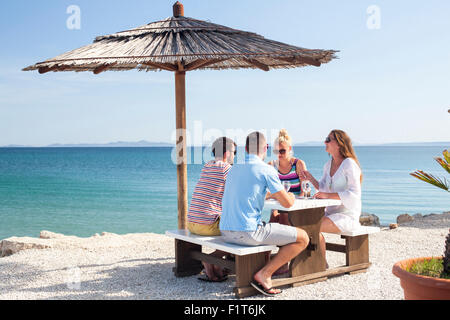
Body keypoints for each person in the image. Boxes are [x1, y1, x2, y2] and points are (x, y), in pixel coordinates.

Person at [220, 131, 310, 296]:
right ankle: (265, 274)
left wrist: (268, 194)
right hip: (248, 233)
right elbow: (288, 203)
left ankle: (266, 268)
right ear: (266, 148)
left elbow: (248, 192)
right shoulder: (266, 170)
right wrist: (289, 194)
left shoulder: (233, 169)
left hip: (225, 231)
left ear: (246, 148)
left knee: (270, 224)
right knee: (303, 237)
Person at [299, 129, 362, 265]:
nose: (325, 142)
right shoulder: (328, 165)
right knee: (304, 225)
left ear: (339, 144)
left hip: (347, 216)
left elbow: (354, 194)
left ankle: (320, 264)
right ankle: (319, 263)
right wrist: (310, 178)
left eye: (328, 139)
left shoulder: (349, 164)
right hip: (330, 214)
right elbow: (322, 187)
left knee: (312, 228)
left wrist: (327, 195)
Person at [187, 136, 236, 282]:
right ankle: (212, 259)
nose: (234, 156)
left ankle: (218, 268)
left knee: (228, 222)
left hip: (192, 224)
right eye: (234, 152)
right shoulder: (227, 168)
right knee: (241, 233)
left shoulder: (207, 166)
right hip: (207, 225)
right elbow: (237, 193)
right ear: (227, 153)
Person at [268, 129, 307, 226]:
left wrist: (290, 203)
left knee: (282, 216)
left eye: (282, 151)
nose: (279, 154)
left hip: (296, 204)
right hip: (279, 203)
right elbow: (267, 190)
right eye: (276, 151)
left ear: (289, 149)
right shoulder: (271, 166)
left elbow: (305, 190)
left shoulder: (298, 164)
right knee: (275, 215)